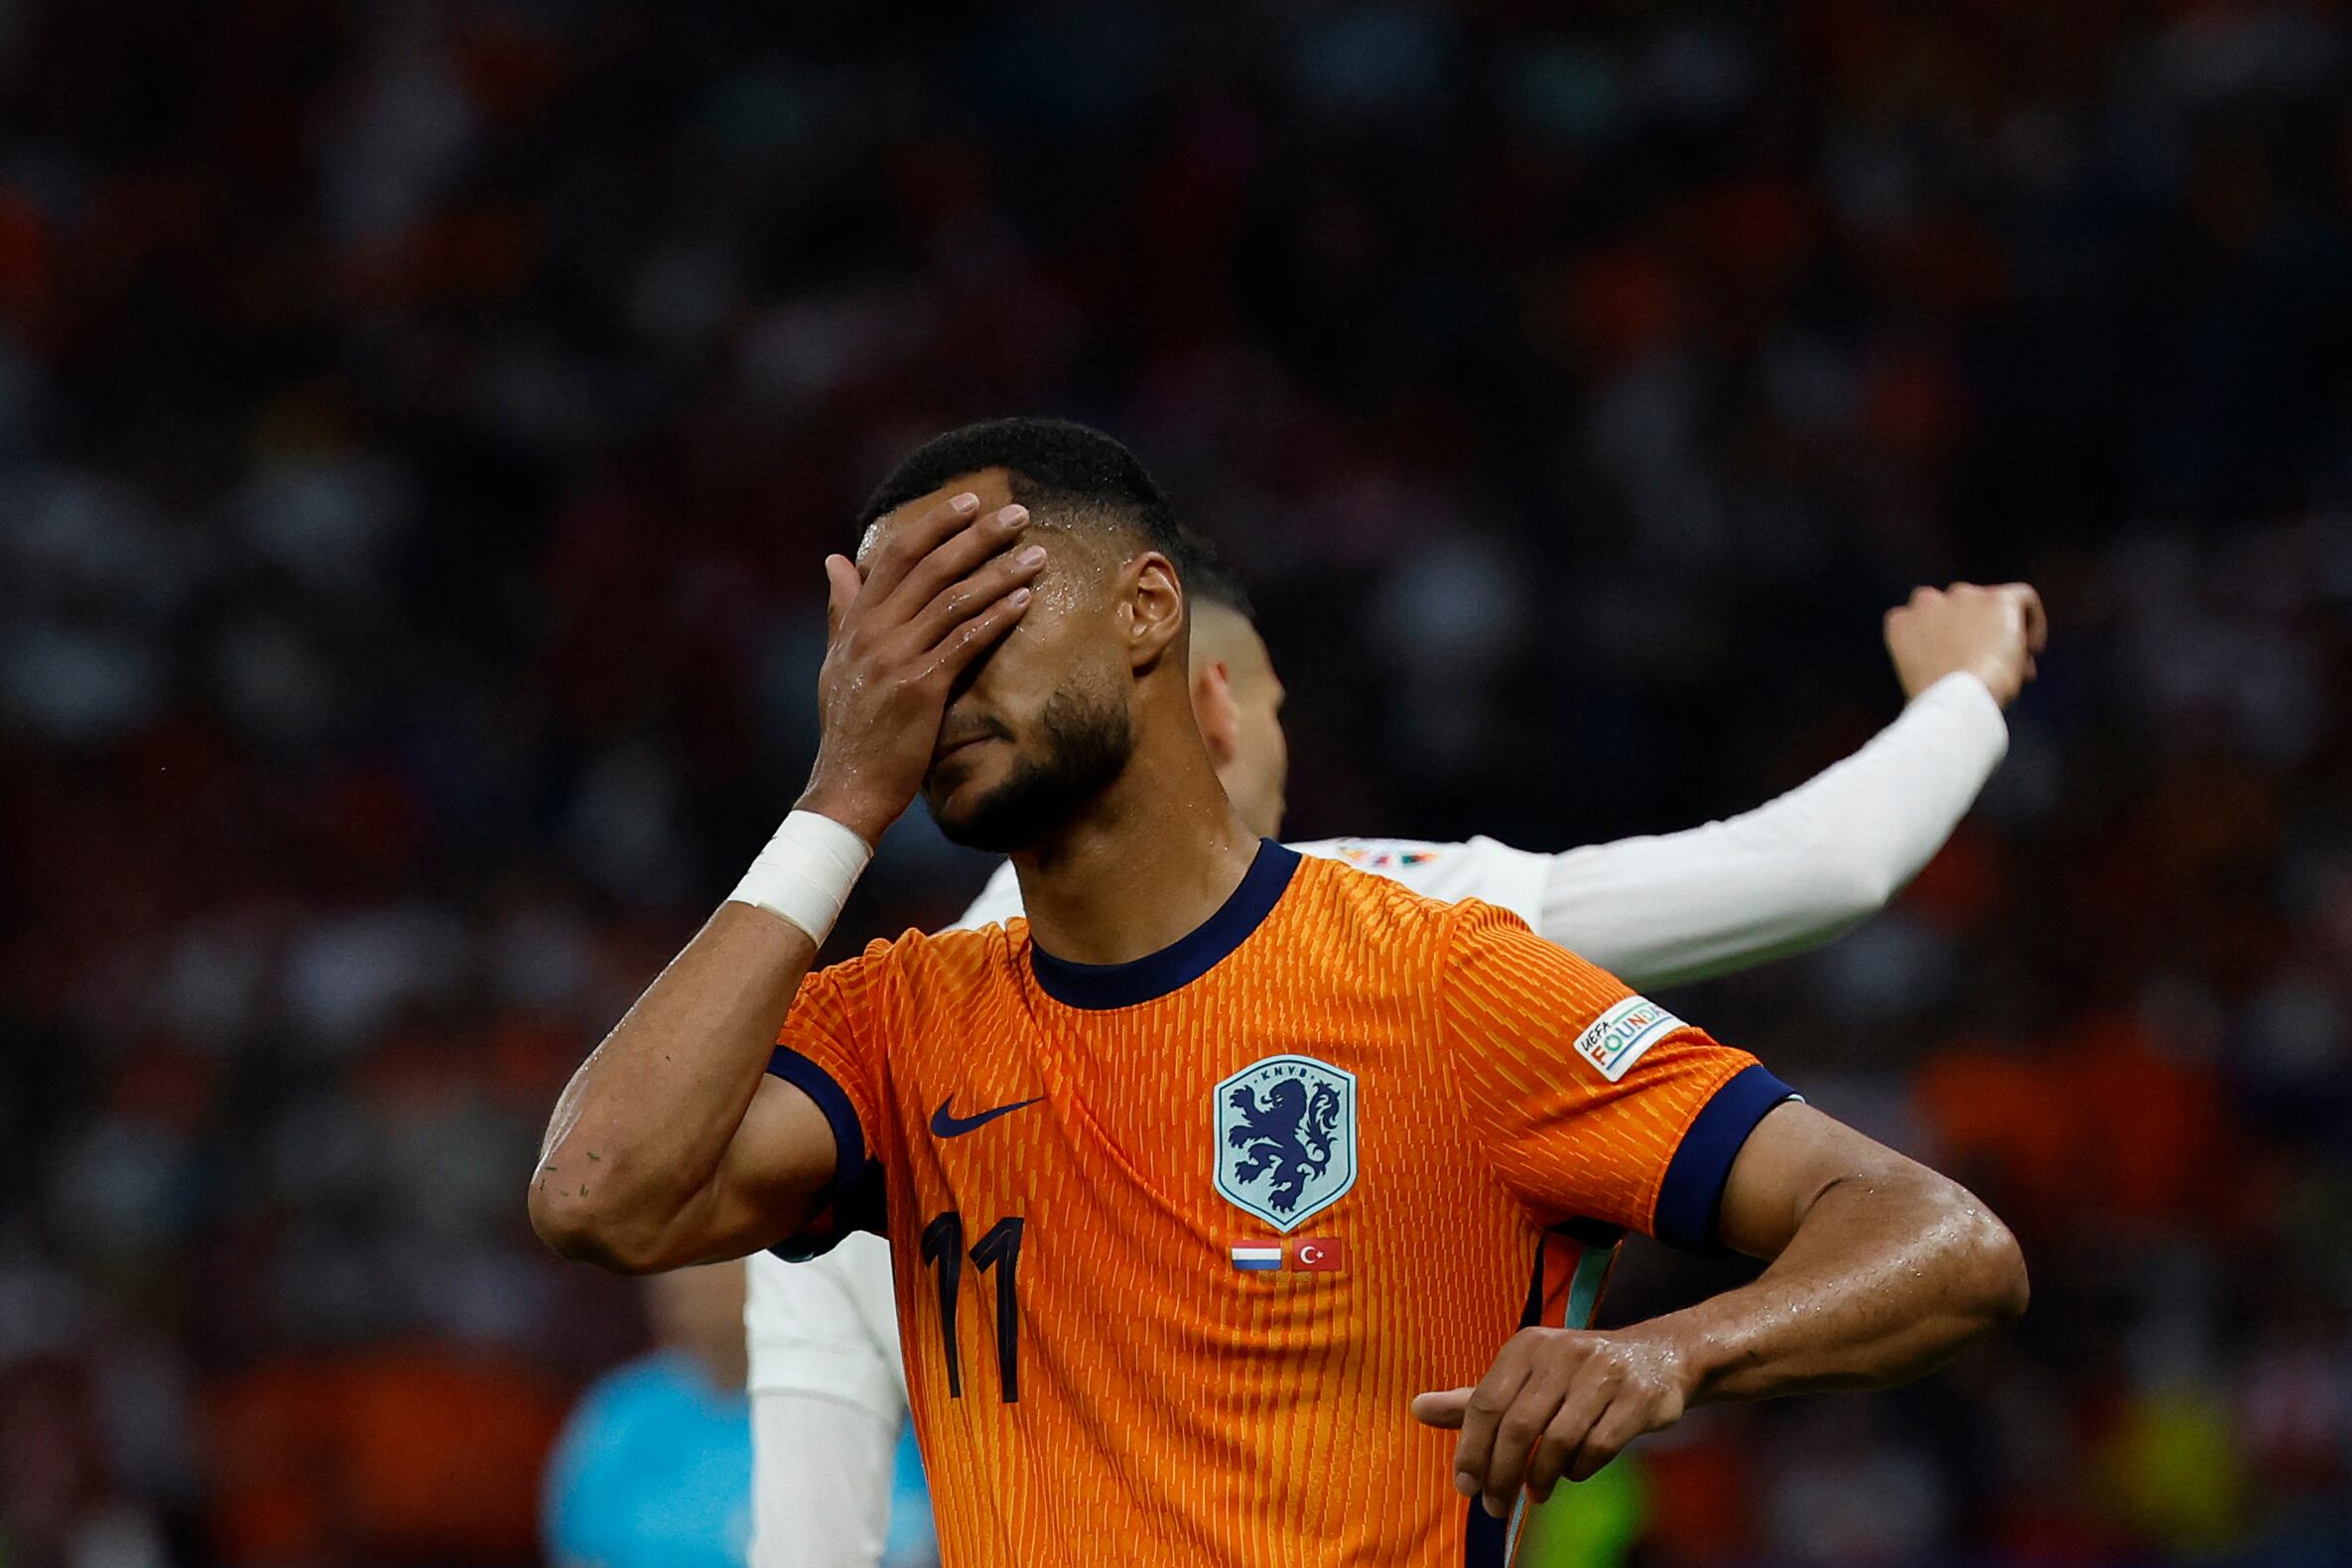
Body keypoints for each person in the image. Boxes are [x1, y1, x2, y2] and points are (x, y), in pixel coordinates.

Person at [529, 419, 2028, 1568]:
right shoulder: (893, 1024)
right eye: (889, 646)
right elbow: (598, 1196)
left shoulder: (1438, 974)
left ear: (1145, 614)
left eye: (975, 614)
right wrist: (837, 799)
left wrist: (1667, 1353)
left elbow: (1943, 1244)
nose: (932, 683)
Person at [543, 1262, 753, 1568]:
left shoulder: (807, 1417)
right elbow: (578, 1547)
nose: (685, 1283)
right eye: (677, 1274)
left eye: (711, 1272)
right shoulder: (626, 1407)